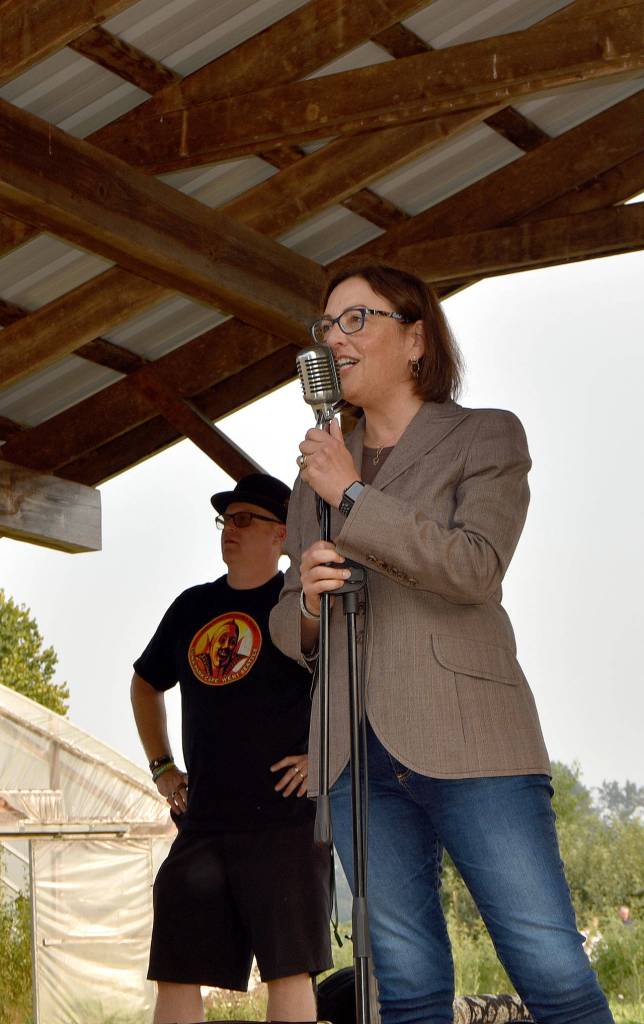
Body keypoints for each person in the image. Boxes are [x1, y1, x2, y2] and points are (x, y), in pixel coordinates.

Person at [269, 264, 614, 1024]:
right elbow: (289, 617)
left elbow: (474, 567)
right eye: (327, 325)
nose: (336, 337)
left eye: (357, 319)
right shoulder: (316, 468)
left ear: (416, 336)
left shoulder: (486, 435)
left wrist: (352, 498)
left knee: (551, 971)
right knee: (407, 985)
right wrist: (310, 607)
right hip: (354, 754)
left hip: (472, 743)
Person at [131, 473, 332, 1024]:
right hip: (204, 823)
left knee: (289, 973)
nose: (230, 529)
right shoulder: (192, 606)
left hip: (287, 824)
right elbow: (145, 683)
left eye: (246, 519)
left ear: (281, 534)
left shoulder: (305, 605)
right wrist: (162, 766)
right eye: (226, 519)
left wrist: (324, 756)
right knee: (175, 970)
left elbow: (355, 687)